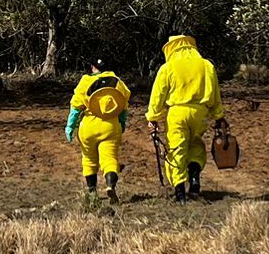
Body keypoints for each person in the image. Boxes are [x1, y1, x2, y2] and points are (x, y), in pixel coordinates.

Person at [146, 34, 225, 202]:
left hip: (177, 112)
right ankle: (195, 180)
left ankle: (180, 190)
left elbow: (158, 95)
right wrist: (219, 116)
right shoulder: (206, 65)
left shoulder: (168, 68)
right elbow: (215, 92)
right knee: (196, 144)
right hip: (200, 113)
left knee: (177, 149)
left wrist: (152, 117)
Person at [64, 60, 132, 203]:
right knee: (110, 159)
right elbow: (123, 107)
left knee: (89, 160)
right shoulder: (118, 82)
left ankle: (92, 192)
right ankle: (110, 185)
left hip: (88, 127)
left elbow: (75, 108)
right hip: (110, 126)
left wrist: (70, 127)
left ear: (93, 67)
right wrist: (122, 123)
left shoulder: (85, 81)